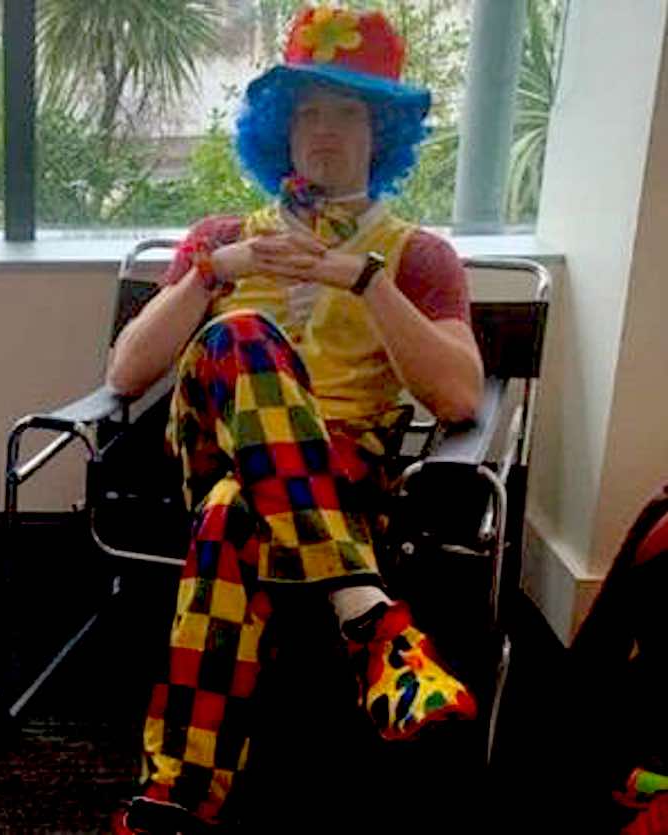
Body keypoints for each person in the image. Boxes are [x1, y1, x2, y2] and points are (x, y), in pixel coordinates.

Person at [106, 6, 484, 832]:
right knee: (243, 333)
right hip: (211, 445)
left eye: (347, 112)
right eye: (308, 112)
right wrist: (215, 271)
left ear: (381, 133)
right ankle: (369, 619)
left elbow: (459, 397)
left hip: (343, 476)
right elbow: (126, 372)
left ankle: (177, 795)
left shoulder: (418, 255)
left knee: (231, 513)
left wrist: (366, 280)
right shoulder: (219, 239)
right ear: (280, 129)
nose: (324, 131)